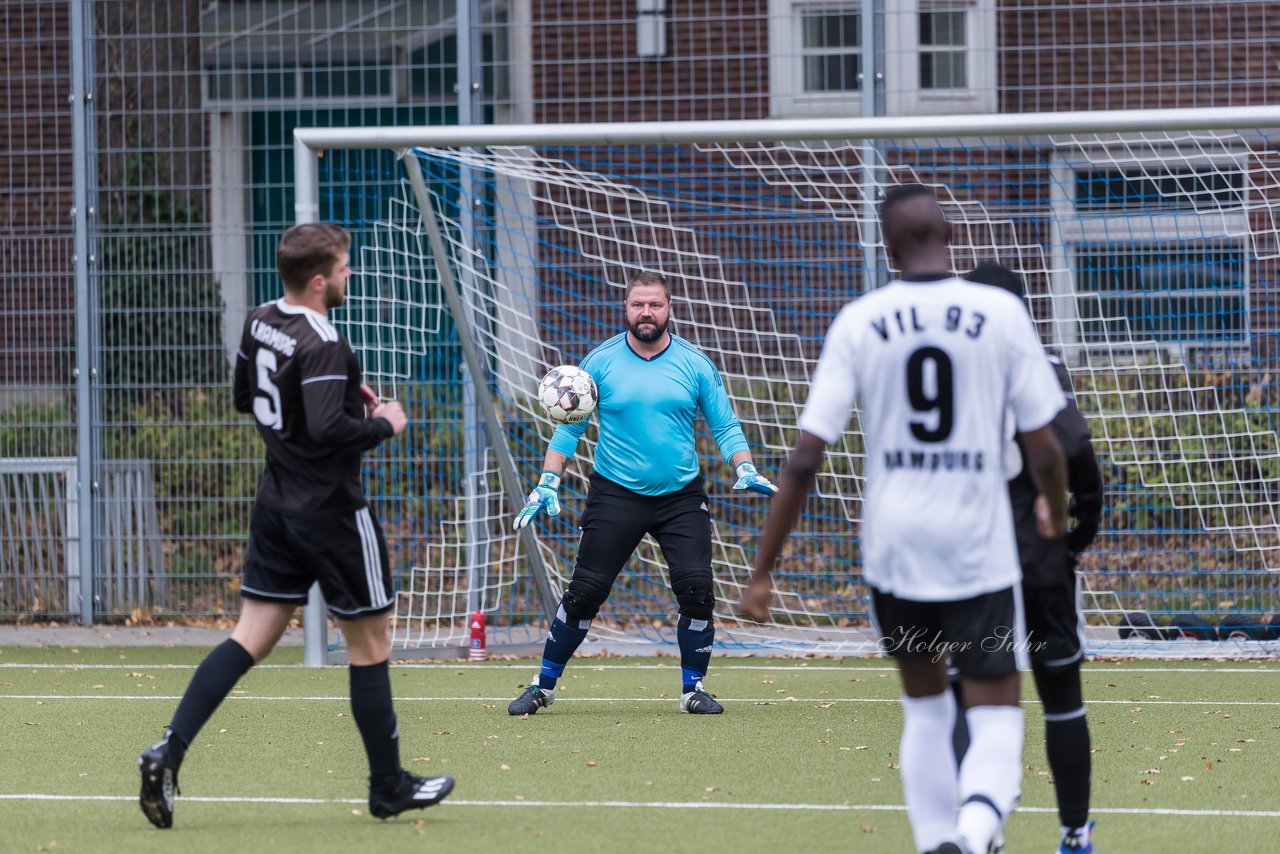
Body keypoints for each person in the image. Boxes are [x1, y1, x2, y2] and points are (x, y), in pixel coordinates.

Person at [739, 184, 1069, 854]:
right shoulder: (998, 311)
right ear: (950, 235)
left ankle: (935, 845)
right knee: (996, 708)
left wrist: (763, 570)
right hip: (977, 549)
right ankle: (975, 836)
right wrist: (1054, 519)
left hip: (896, 553)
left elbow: (804, 460)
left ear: (888, 249)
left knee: (924, 705)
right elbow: (1045, 448)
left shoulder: (861, 321)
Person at [137, 223, 454, 828]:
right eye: (343, 268)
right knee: (372, 644)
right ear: (318, 280)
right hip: (332, 512)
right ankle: (386, 786)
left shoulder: (260, 318)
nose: (348, 276)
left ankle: (167, 752)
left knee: (250, 636)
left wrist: (335, 400)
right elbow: (329, 431)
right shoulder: (324, 340)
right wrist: (386, 421)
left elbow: (246, 398)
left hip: (276, 505)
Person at [508, 271, 777, 716]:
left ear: (669, 308)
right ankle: (543, 685)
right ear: (626, 309)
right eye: (638, 305)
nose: (646, 313)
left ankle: (693, 690)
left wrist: (743, 465)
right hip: (615, 494)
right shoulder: (600, 362)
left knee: (697, 590)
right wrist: (547, 481)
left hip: (681, 498)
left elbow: (725, 425)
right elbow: (567, 430)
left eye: (655, 305)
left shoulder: (695, 363)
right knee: (584, 593)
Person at [958, 262, 1104, 854]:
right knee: (1062, 699)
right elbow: (1077, 450)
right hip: (1039, 558)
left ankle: (980, 829)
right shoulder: (1038, 365)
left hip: (970, 562)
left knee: (971, 699)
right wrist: (1079, 533)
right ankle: (1073, 833)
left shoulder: (949, 370)